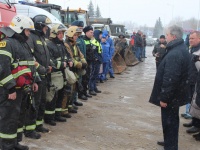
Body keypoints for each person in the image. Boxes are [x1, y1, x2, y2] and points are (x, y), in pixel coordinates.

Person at [0, 15, 39, 150]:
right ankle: (6, 146)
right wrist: (10, 88)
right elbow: (2, 68)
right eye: (28, 31)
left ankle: (15, 142)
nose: (29, 34)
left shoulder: (24, 45)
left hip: (22, 88)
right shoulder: (7, 44)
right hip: (9, 91)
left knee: (18, 117)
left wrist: (35, 80)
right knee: (8, 119)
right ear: (20, 29)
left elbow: (31, 65)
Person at [149, 25, 190, 150]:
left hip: (171, 97)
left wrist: (164, 98)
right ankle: (169, 142)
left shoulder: (175, 53)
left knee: (170, 123)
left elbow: (170, 79)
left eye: (167, 35)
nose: (165, 37)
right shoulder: (177, 49)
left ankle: (171, 146)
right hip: (175, 95)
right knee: (171, 122)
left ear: (173, 36)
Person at [25, 15, 52, 139]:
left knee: (41, 101)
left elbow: (46, 55)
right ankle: (29, 129)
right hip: (36, 77)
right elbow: (30, 58)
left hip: (44, 76)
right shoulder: (31, 38)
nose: (47, 29)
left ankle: (38, 124)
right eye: (45, 26)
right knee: (34, 103)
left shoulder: (42, 38)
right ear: (40, 25)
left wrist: (49, 64)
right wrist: (40, 67)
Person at [44, 23, 73, 126]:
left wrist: (69, 61)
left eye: (63, 33)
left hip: (62, 74)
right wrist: (61, 64)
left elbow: (68, 55)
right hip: (54, 75)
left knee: (61, 95)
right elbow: (49, 60)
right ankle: (49, 117)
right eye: (59, 33)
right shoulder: (48, 44)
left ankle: (57, 115)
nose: (61, 35)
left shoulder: (61, 44)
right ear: (54, 34)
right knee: (52, 97)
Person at [64, 26, 87, 113]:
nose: (76, 36)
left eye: (77, 35)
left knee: (74, 88)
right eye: (75, 35)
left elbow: (80, 55)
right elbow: (71, 58)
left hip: (75, 69)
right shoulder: (67, 45)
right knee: (69, 89)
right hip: (70, 69)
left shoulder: (75, 45)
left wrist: (84, 62)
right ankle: (65, 108)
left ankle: (70, 105)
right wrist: (81, 64)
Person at [183, 31, 200, 134]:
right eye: (189, 38)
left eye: (192, 38)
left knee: (198, 103)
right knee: (192, 101)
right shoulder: (192, 49)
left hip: (197, 81)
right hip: (191, 79)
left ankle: (197, 125)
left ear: (199, 39)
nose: (190, 40)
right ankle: (194, 121)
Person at [71, 20, 89, 101]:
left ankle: (75, 99)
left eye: (82, 28)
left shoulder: (81, 38)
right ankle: (73, 100)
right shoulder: (75, 39)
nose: (81, 30)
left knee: (80, 81)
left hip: (81, 63)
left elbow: (82, 52)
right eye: (79, 28)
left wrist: (84, 61)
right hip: (76, 64)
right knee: (75, 82)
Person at [82, 26, 96, 96]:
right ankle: (82, 93)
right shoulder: (83, 40)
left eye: (92, 32)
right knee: (84, 78)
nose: (92, 34)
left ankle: (85, 92)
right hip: (85, 62)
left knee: (87, 78)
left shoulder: (89, 40)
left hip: (89, 62)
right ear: (86, 32)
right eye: (91, 32)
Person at [89, 29, 103, 94]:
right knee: (93, 75)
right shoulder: (93, 42)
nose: (101, 36)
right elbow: (93, 52)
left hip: (98, 61)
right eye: (100, 34)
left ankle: (94, 87)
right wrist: (96, 58)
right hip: (95, 61)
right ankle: (91, 89)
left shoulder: (98, 42)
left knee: (95, 75)